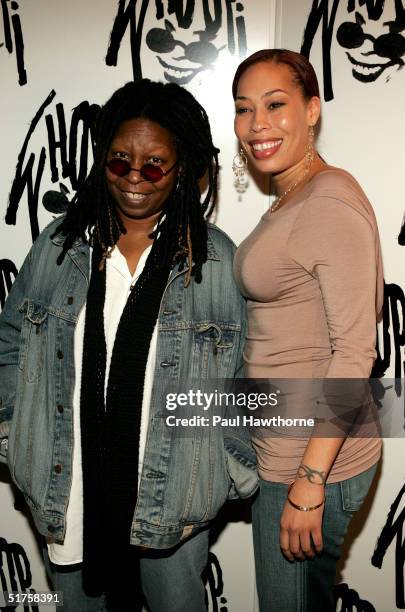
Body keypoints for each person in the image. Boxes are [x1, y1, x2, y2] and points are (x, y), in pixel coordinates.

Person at [0, 79, 257, 612]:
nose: (135, 178)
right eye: (120, 161)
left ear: (182, 167)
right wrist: (10, 434)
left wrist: (230, 467)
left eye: (155, 163)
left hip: (173, 499)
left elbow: (244, 374)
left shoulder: (215, 263)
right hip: (67, 491)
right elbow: (9, 341)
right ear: (102, 161)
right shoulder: (58, 246)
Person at [231, 49, 384, 612]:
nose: (258, 125)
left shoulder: (328, 200)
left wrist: (310, 481)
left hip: (312, 459)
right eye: (245, 110)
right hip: (286, 449)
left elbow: (353, 353)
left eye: (276, 105)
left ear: (313, 109)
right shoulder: (292, 195)